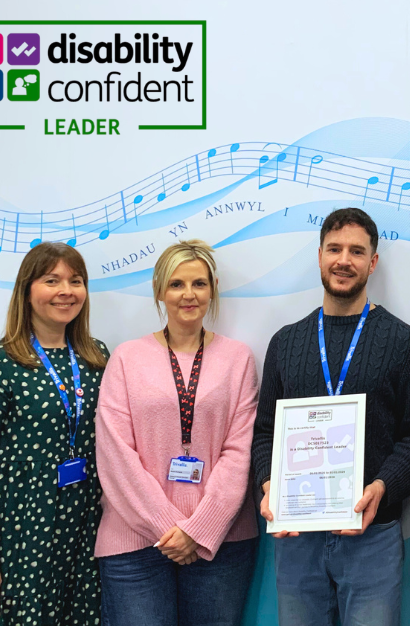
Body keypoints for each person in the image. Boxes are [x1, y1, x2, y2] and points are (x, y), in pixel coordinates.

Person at [251, 207, 410, 626]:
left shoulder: (405, 343)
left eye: (356, 251)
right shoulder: (285, 343)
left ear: (372, 262)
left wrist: (382, 488)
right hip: (296, 539)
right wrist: (268, 485)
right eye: (334, 249)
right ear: (319, 256)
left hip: (373, 535)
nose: (343, 260)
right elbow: (264, 432)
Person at [0, 242, 110, 625]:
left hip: (78, 541)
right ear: (26, 290)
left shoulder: (97, 358)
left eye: (76, 280)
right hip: (14, 540)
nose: (66, 290)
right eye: (52, 280)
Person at [95, 240, 260, 625]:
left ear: (213, 288)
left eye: (199, 284)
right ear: (159, 291)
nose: (189, 295)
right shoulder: (125, 357)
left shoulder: (238, 358)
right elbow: (115, 453)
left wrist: (200, 530)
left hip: (221, 541)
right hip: (134, 542)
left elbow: (240, 452)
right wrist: (170, 528)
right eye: (176, 284)